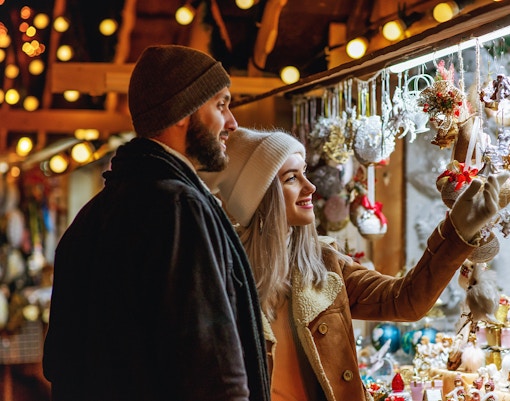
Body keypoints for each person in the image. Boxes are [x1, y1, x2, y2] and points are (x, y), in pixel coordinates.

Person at [199, 127, 509, 401]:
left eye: (305, 172)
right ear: (259, 196)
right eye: (292, 178)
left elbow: (405, 301)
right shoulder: (223, 277)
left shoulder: (324, 263)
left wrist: (457, 231)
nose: (310, 187)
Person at [42, 46, 271, 401]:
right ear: (183, 111)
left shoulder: (91, 216)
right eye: (221, 105)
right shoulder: (180, 206)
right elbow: (213, 365)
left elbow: (60, 362)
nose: (232, 123)